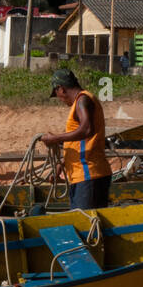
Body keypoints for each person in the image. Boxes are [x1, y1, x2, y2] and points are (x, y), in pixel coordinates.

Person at [41, 69, 111, 210]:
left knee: (85, 225)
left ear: (61, 89)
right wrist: (63, 163)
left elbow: (86, 129)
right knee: (85, 223)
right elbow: (81, 141)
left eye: (57, 95)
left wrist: (55, 138)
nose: (60, 99)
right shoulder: (81, 101)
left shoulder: (82, 100)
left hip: (88, 174)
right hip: (83, 175)